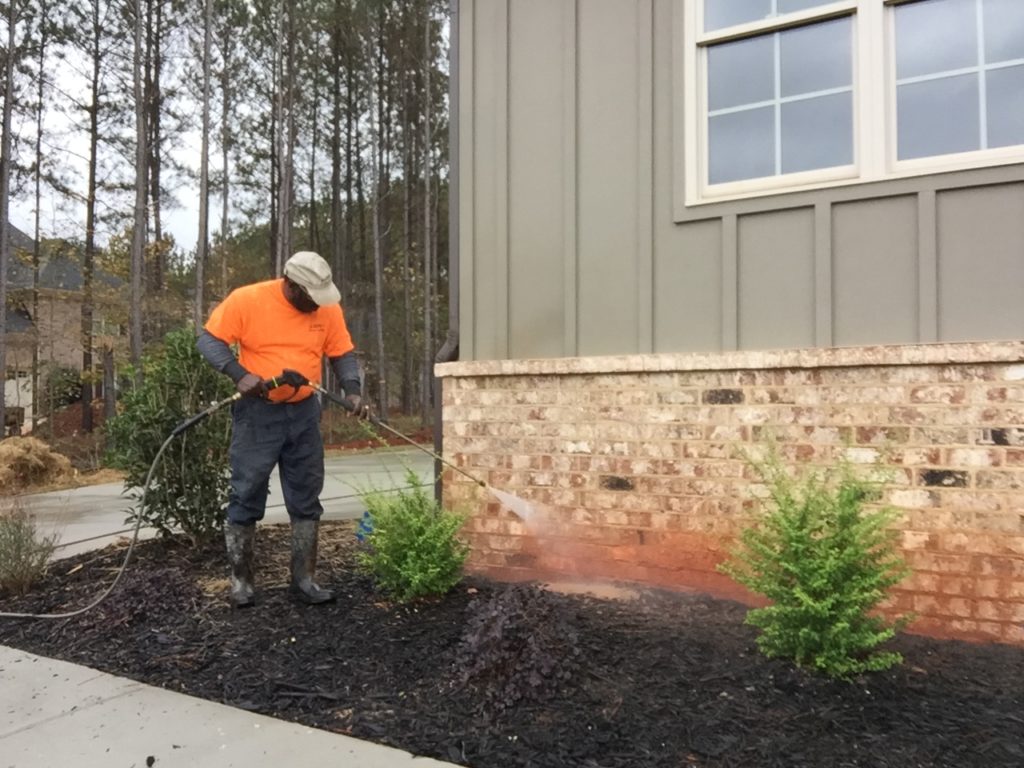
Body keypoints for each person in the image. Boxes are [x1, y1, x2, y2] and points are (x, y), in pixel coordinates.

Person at [197, 251, 369, 608]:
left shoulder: (327, 308)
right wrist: (239, 374)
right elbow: (209, 341)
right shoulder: (248, 299)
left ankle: (304, 579)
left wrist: (352, 389)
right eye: (310, 297)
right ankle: (241, 581)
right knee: (247, 492)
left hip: (304, 413)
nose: (316, 305)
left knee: (306, 494)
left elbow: (341, 353)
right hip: (258, 414)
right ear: (291, 285)